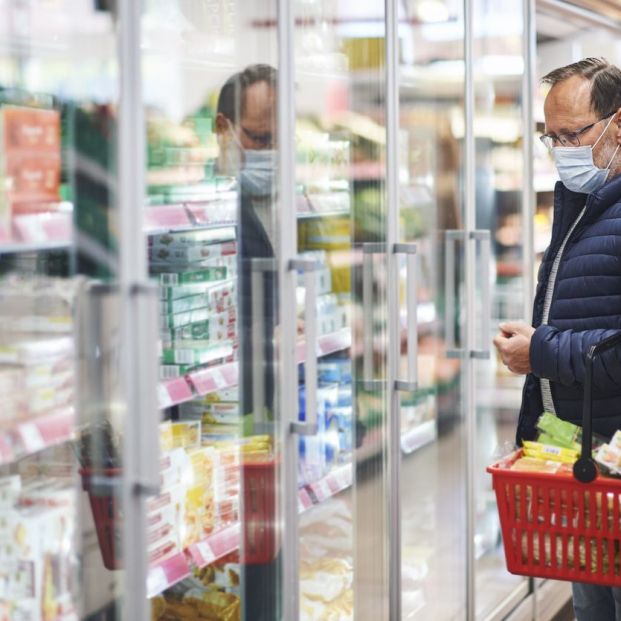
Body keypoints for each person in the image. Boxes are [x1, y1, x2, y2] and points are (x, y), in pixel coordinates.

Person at [493, 57, 621, 620]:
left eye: (574, 134)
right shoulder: (584, 202)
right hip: (591, 462)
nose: (563, 148)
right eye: (552, 137)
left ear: (618, 125)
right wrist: (538, 336)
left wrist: (540, 350)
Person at [215, 64, 279, 621]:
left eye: (280, 141)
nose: (270, 154)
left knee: (266, 560)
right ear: (223, 128)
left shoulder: (289, 199)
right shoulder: (204, 207)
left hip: (270, 417)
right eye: (259, 139)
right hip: (221, 419)